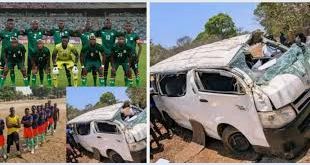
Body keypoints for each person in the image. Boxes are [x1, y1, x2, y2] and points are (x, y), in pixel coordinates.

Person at [96, 18, 119, 86]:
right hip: (105, 55)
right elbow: (94, 34)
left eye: (109, 23)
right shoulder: (101, 31)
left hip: (112, 55)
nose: (107, 24)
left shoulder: (114, 32)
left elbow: (122, 37)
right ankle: (105, 84)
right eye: (106, 23)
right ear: (104, 24)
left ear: (111, 24)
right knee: (105, 70)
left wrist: (116, 45)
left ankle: (112, 84)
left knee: (113, 70)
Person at [124, 22, 142, 86]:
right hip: (126, 57)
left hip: (134, 56)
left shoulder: (135, 35)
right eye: (127, 26)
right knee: (126, 71)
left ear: (131, 27)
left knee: (136, 71)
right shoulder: (123, 35)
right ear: (125, 27)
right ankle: (127, 84)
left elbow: (140, 47)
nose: (128, 27)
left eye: (129, 26)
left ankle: (138, 84)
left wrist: (138, 57)